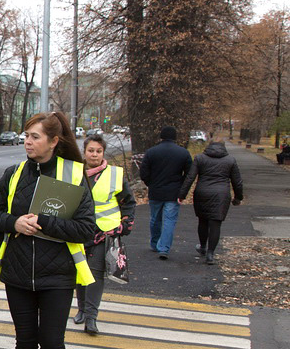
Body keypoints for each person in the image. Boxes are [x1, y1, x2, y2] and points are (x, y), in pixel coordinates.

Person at [0, 111, 97, 349]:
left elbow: (86, 230)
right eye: (26, 136)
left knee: (51, 341)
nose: (27, 142)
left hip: (58, 275)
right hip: (18, 272)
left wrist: (45, 222)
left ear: (53, 141)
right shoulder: (14, 173)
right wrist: (14, 223)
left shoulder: (73, 175)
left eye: (34, 137)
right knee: (25, 341)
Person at [73, 135, 136, 334]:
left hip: (105, 231)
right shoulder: (74, 172)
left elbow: (128, 202)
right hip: (78, 230)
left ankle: (91, 317)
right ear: (84, 152)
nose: (94, 154)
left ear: (103, 152)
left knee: (95, 273)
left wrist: (126, 223)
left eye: (98, 151)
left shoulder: (115, 174)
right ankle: (81, 309)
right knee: (80, 272)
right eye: (91, 150)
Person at [179, 141, 244, 265]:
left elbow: (190, 177)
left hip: (202, 192)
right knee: (215, 223)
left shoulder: (200, 158)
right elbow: (237, 181)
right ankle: (210, 253)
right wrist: (238, 197)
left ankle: (203, 246)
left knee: (202, 220)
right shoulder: (230, 160)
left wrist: (182, 195)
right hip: (221, 194)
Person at [139, 126, 192, 260]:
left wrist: (150, 183)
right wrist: (182, 191)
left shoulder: (151, 152)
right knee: (169, 220)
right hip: (174, 193)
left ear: (161, 137)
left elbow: (143, 172)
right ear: (175, 138)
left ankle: (155, 243)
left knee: (155, 218)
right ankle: (164, 248)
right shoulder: (183, 153)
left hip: (156, 191)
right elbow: (189, 174)